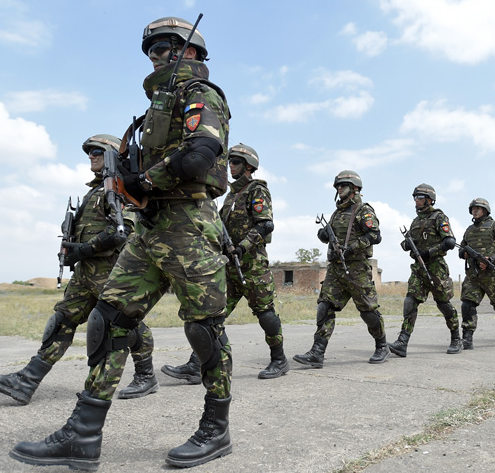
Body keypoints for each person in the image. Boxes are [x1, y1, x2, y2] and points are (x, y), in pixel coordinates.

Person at [9, 16, 232, 471]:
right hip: (150, 228)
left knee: (204, 330)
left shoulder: (200, 95)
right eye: (150, 49)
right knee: (107, 322)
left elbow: (200, 154)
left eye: (165, 47)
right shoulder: (153, 112)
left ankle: (216, 428)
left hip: (188, 224)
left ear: (190, 52)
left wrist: (142, 180)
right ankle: (82, 435)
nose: (155, 55)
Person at [0, 134, 158, 404]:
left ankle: (146, 375)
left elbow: (124, 232)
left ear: (112, 156)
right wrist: (73, 252)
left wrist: (84, 249)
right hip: (86, 274)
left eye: (98, 151)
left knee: (126, 324)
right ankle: (26, 381)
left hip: (112, 274)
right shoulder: (94, 191)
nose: (91, 156)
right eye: (89, 152)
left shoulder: (119, 188)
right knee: (61, 321)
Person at [161, 143, 287, 382]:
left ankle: (279, 360)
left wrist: (243, 247)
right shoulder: (230, 196)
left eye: (236, 162)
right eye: (230, 162)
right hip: (229, 266)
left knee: (265, 313)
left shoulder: (256, 190)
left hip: (253, 265)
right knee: (212, 315)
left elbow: (265, 224)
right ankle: (197, 364)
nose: (231, 166)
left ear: (249, 167)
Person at [293, 170, 388, 368]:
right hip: (335, 269)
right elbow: (332, 236)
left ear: (354, 188)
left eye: (343, 185)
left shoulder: (363, 210)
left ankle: (382, 346)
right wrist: (324, 234)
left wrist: (353, 247)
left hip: (357, 268)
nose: (339, 188)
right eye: (337, 186)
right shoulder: (337, 212)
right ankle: (317, 353)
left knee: (367, 311)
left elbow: (375, 235)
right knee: (325, 307)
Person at [389, 184, 461, 357]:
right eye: (415, 198)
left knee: (443, 304)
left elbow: (449, 241)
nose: (416, 201)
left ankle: (456, 338)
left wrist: (428, 252)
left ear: (429, 199)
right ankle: (402, 341)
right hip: (419, 269)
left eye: (420, 197)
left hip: (436, 267)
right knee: (410, 301)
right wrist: (407, 245)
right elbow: (410, 242)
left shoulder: (439, 217)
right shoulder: (416, 221)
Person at [458, 198, 495, 348]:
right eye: (473, 208)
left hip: (492, 275)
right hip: (473, 275)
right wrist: (463, 253)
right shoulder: (469, 230)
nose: (475, 211)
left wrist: (491, 259)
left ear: (485, 210)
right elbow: (461, 248)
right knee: (467, 304)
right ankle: (467, 338)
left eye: (478, 208)